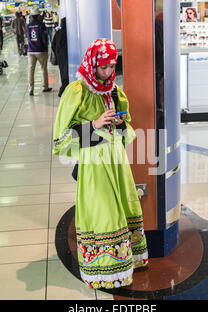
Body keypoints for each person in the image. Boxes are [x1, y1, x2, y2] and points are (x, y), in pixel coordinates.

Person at [52, 39, 149, 289]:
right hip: (94, 162)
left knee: (123, 204)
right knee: (103, 209)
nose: (108, 73)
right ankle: (104, 270)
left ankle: (126, 262)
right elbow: (61, 138)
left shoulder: (114, 90)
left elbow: (125, 125)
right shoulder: (77, 91)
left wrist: (118, 122)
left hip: (115, 159)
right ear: (93, 64)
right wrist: (94, 125)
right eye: (103, 67)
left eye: (112, 67)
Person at [26, 7, 52, 95]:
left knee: (31, 70)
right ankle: (45, 87)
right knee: (43, 69)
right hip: (40, 51)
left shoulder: (28, 26)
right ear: (38, 16)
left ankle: (30, 89)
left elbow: (28, 37)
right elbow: (44, 39)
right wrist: (46, 49)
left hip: (30, 51)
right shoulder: (41, 25)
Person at [51, 17, 68, 97]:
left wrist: (57, 54)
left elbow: (53, 45)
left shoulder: (58, 33)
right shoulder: (69, 33)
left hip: (60, 57)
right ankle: (64, 90)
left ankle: (63, 90)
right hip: (68, 56)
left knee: (62, 73)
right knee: (66, 73)